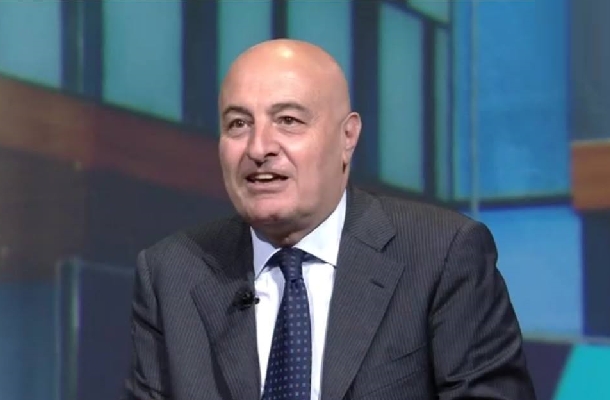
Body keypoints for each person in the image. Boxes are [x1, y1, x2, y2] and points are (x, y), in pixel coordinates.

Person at [124, 39, 536, 400]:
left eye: (288, 120)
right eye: (238, 124)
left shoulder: (441, 254)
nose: (259, 147)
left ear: (347, 137)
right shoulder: (171, 272)